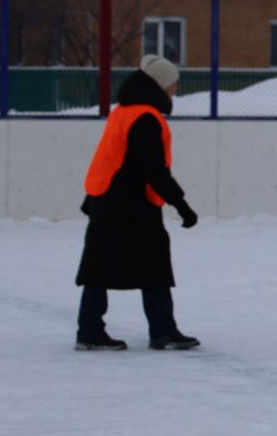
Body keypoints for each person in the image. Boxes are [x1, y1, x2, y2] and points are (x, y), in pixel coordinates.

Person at [74, 54, 201, 350]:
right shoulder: (145, 118)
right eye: (173, 84)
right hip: (130, 202)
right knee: (154, 265)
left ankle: (91, 330)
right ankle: (163, 331)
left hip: (107, 199)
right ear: (159, 85)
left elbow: (109, 157)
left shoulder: (123, 112)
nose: (175, 90)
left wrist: (91, 199)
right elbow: (154, 169)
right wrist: (182, 205)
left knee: (99, 266)